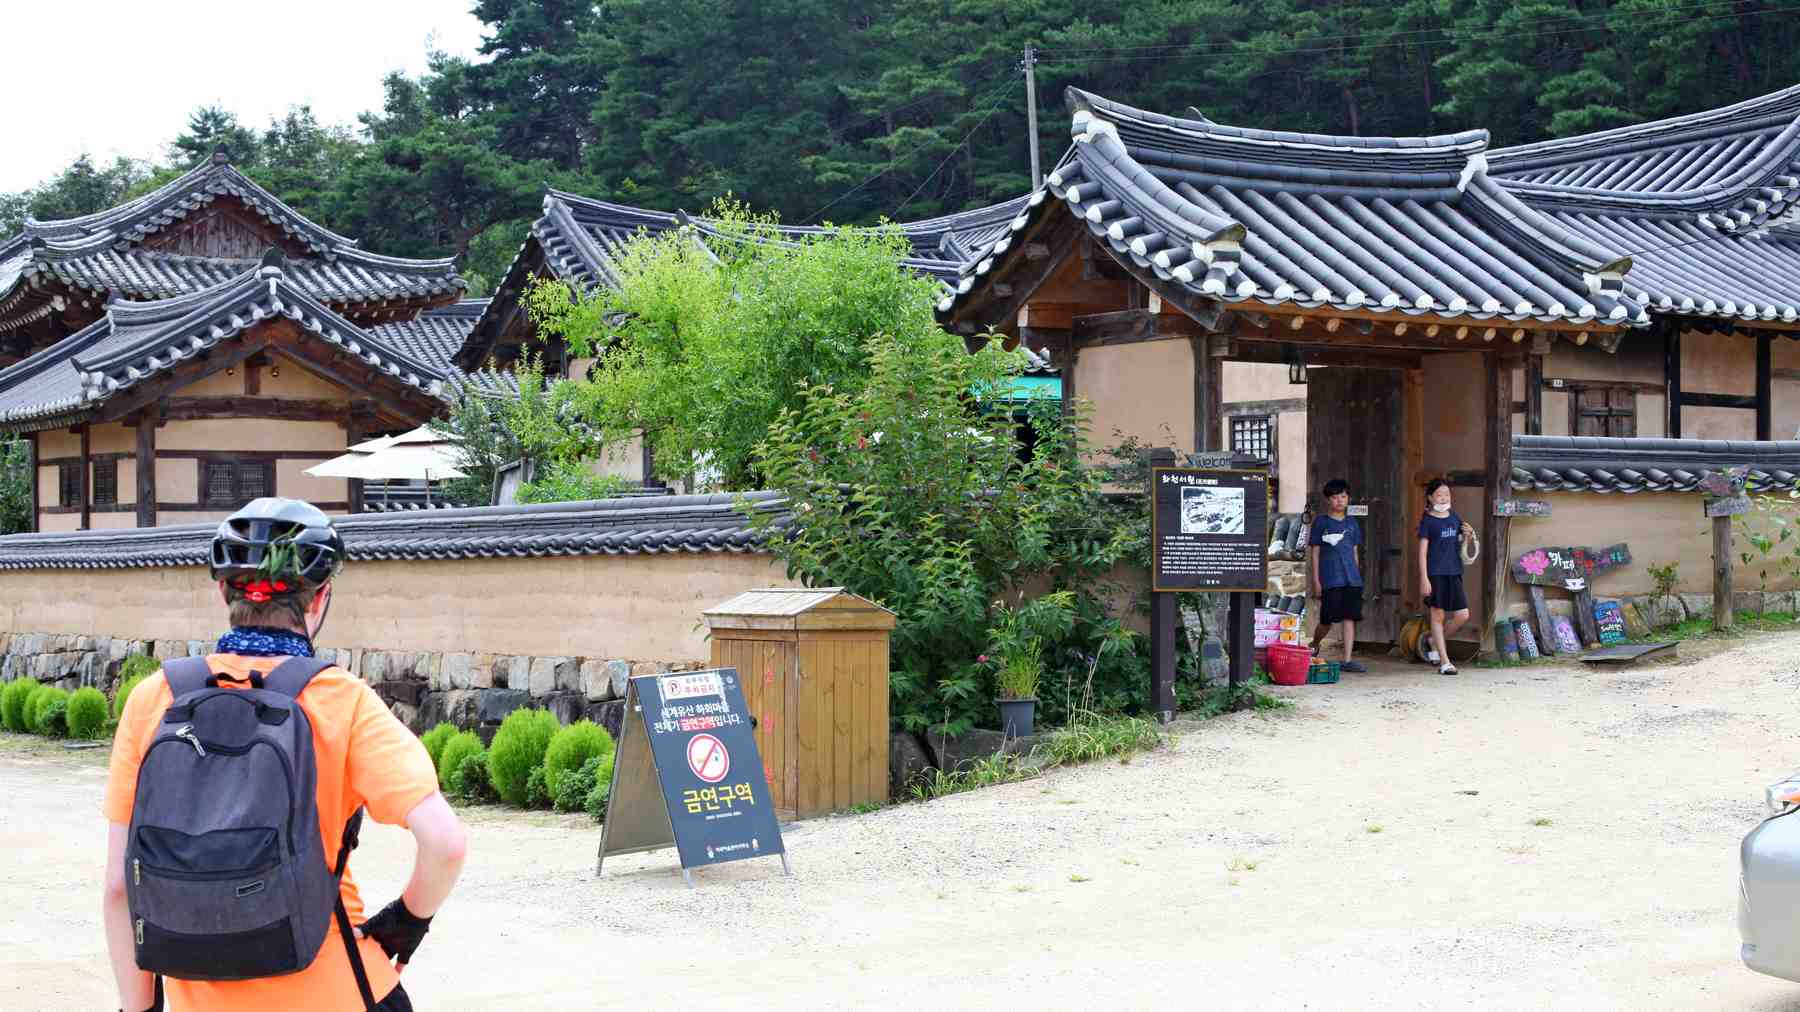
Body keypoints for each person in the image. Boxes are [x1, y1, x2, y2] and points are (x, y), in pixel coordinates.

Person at [102, 498, 468, 1012]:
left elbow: (121, 887)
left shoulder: (156, 698)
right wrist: (405, 925)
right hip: (338, 988)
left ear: (222, 590)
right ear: (319, 600)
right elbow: (446, 843)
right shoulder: (341, 699)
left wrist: (137, 1009)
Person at [1308, 479, 1367, 673]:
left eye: (1343, 496)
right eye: (1335, 497)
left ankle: (1348, 660)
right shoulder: (1321, 523)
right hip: (1330, 579)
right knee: (1327, 620)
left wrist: (1357, 575)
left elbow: (1355, 551)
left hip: (1351, 578)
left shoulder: (1352, 523)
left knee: (1350, 617)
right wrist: (1316, 581)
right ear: (1328, 500)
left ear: (1348, 498)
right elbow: (1315, 553)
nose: (1340, 501)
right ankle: (1315, 642)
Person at [1418, 478, 1475, 675]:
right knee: (1438, 616)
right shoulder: (1428, 521)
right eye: (1440, 495)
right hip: (1435, 574)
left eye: (1447, 494)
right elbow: (1422, 552)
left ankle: (1434, 640)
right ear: (1430, 498)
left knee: (1462, 616)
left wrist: (1467, 535)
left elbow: (1460, 540)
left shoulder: (1454, 517)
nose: (1444, 498)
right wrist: (1424, 578)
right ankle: (1445, 662)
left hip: (1455, 571)